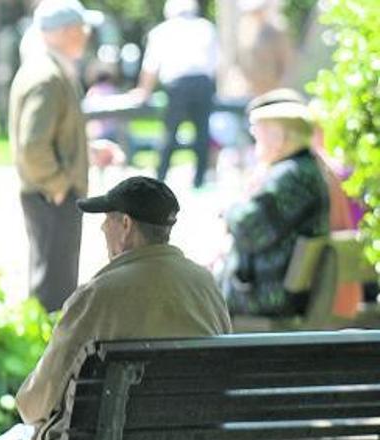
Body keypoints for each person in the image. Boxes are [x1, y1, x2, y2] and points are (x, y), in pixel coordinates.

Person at [0, 176, 232, 440]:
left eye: (107, 219)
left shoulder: (99, 294)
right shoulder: (205, 286)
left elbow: (35, 405)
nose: (102, 228)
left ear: (126, 225)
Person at [9, 0, 91, 312]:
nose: (85, 34)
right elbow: (33, 146)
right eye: (79, 28)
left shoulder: (50, 70)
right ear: (63, 32)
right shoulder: (46, 76)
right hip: (51, 196)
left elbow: (51, 135)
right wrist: (58, 184)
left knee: (57, 284)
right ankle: (48, 343)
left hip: (51, 193)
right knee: (53, 291)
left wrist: (88, 150)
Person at [219, 98, 329, 317]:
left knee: (190, 292)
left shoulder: (291, 176)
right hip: (278, 289)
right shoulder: (304, 168)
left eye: (258, 135)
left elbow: (247, 228)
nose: (254, 142)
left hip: (268, 294)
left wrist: (229, 211)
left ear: (279, 138)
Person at [133, 0, 219, 188]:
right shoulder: (207, 28)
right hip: (203, 84)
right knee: (202, 133)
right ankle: (199, 180)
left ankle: (160, 178)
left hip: (177, 85)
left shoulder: (162, 31)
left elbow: (151, 67)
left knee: (170, 133)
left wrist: (143, 91)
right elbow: (215, 65)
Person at [235, 0, 292, 97]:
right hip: (251, 91)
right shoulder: (244, 32)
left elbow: (284, 61)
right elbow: (241, 61)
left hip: (272, 88)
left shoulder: (276, 31)